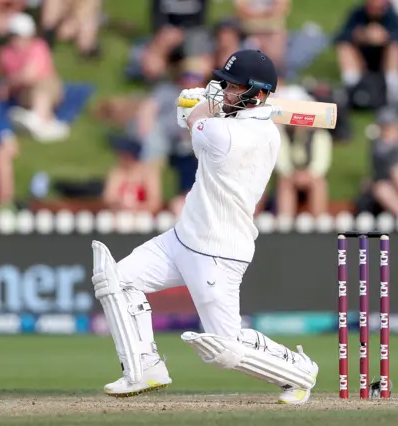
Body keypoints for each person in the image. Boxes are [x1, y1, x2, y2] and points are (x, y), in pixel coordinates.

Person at [90, 49, 318, 405]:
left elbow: (198, 122)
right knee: (116, 281)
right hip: (182, 237)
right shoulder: (249, 126)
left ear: (256, 94)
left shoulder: (233, 137)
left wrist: (196, 107)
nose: (223, 91)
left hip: (218, 250)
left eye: (232, 86)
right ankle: (144, 367)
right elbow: (204, 117)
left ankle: (298, 370)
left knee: (224, 348)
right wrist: (206, 107)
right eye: (224, 83)